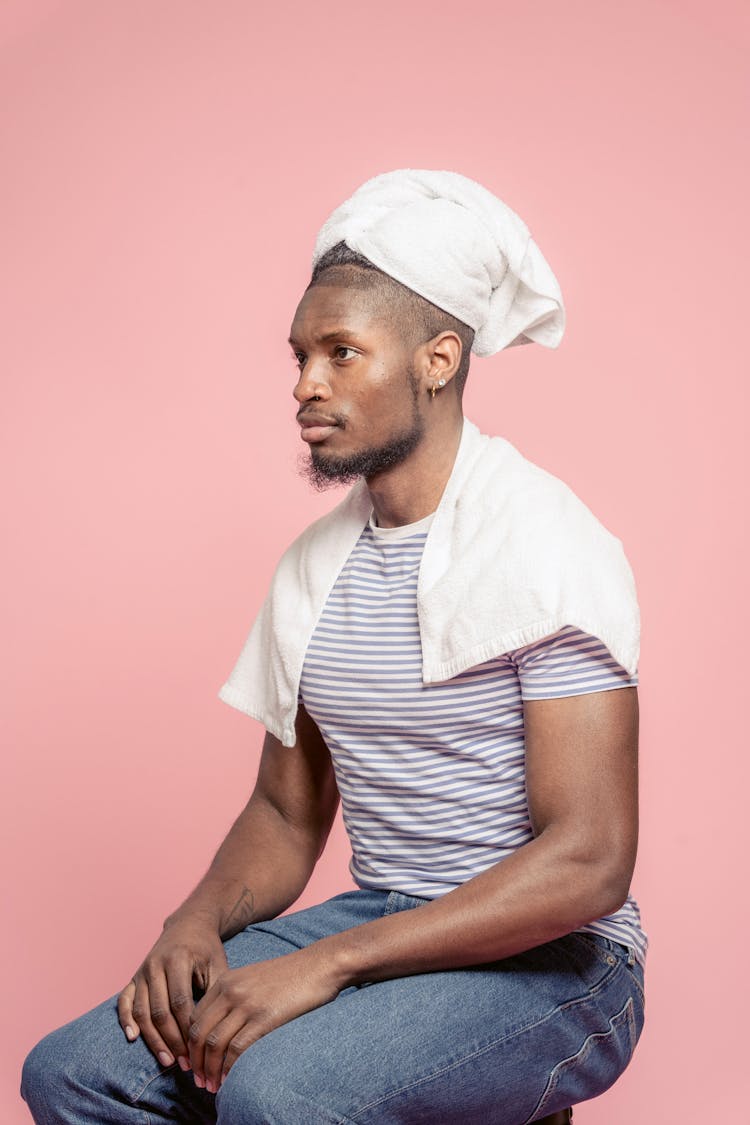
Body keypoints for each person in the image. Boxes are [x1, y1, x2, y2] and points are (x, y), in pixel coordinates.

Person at [22, 169, 646, 1124]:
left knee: (282, 1092)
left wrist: (329, 964)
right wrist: (191, 921)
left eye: (342, 353)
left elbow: (589, 861)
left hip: (561, 957)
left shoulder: (548, 546)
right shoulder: (312, 571)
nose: (306, 385)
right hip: (385, 920)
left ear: (438, 359)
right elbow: (284, 810)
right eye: (300, 355)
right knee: (69, 1072)